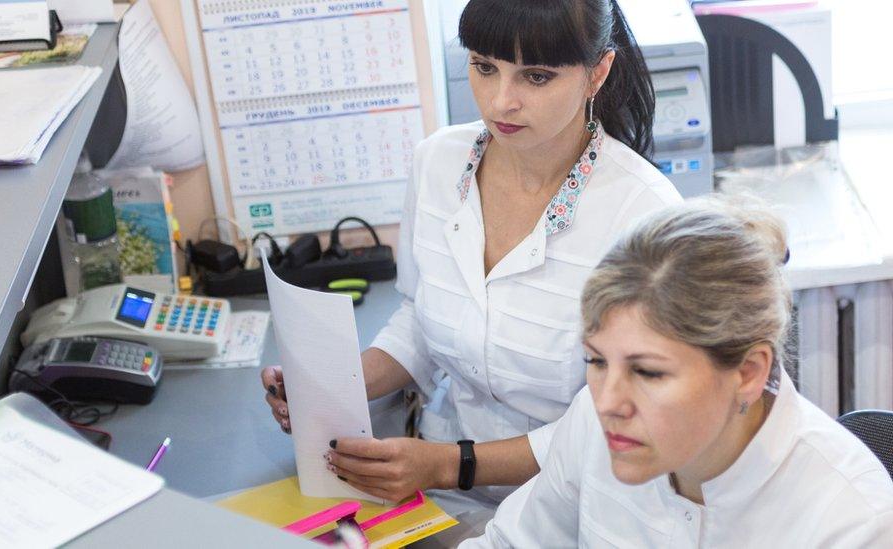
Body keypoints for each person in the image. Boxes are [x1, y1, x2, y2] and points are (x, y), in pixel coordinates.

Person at [262, 0, 682, 514]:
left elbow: (618, 418)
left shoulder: (645, 215)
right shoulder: (437, 162)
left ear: (597, 73)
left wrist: (449, 464)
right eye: (484, 67)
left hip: (576, 507)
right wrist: (331, 385)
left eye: (537, 77)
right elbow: (422, 319)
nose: (500, 102)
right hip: (441, 493)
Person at [463, 198, 893, 547]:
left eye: (648, 373)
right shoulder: (595, 424)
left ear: (747, 372)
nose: (608, 402)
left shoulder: (854, 523)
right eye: (596, 361)